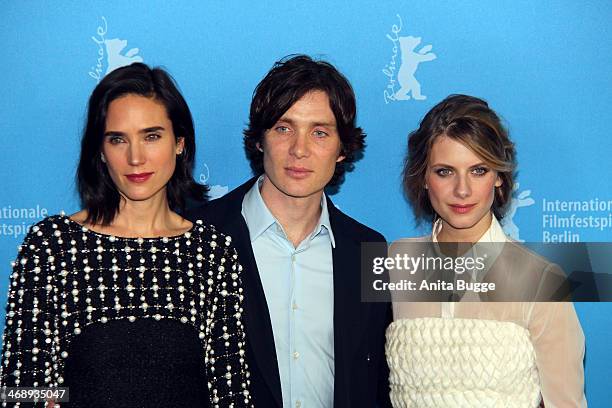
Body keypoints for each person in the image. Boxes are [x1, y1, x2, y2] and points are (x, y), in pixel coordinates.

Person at [0, 63, 253, 407]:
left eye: (152, 136)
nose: (135, 157)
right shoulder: (52, 246)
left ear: (179, 143)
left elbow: (231, 392)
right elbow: (18, 392)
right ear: (100, 151)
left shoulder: (212, 252)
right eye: (118, 139)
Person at [186, 55, 391, 408]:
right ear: (259, 139)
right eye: (284, 128)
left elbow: (379, 383)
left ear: (342, 149)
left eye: (320, 132)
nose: (300, 149)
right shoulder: (198, 239)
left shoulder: (368, 250)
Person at [385, 94, 586, 407]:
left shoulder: (541, 280)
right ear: (423, 178)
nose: (462, 189)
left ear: (499, 179)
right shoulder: (395, 261)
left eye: (478, 170)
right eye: (444, 171)